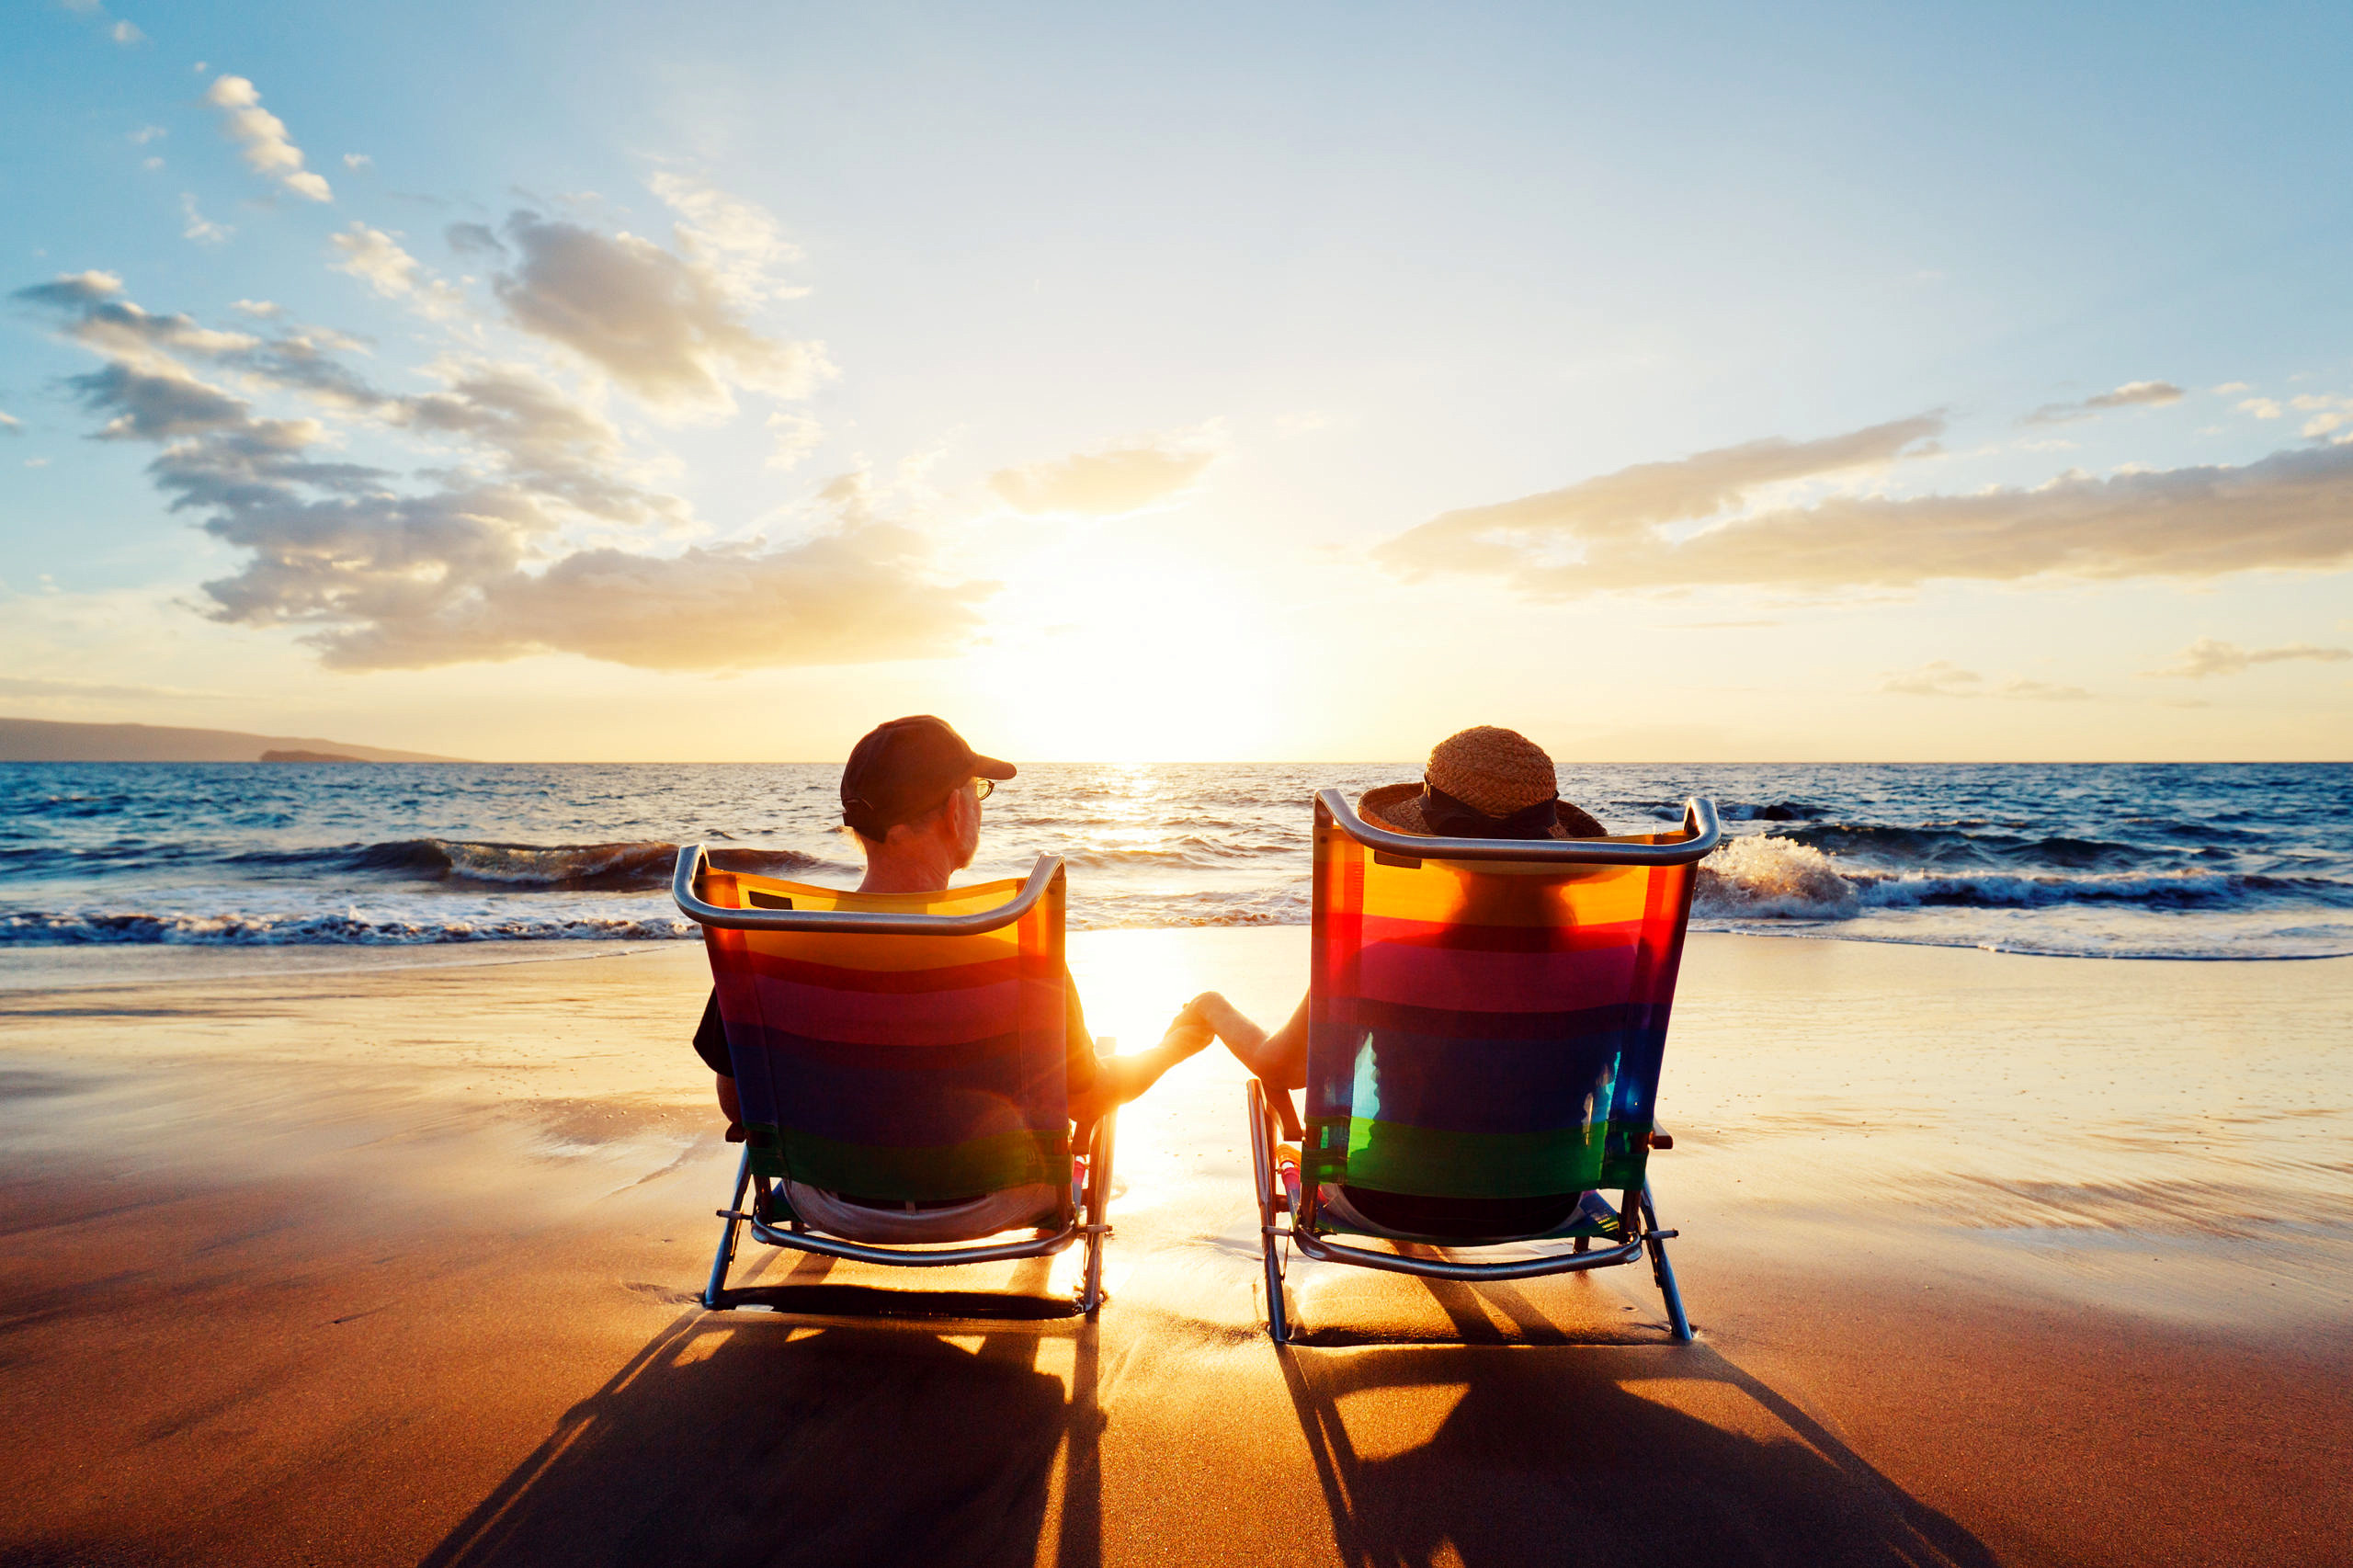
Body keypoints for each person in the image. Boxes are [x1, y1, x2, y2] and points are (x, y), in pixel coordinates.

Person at [1179, 724, 1618, 1239]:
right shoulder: (1609, 967)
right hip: (1546, 1202)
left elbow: (1284, 1067)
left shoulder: (1381, 961)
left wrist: (1213, 1008)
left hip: (1386, 1200)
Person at [691, 714, 1211, 1136]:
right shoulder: (1014, 947)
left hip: (824, 1201)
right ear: (955, 812)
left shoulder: (774, 944)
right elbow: (1087, 1099)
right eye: (977, 790)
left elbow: (738, 1103)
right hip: (988, 1206)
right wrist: (1172, 1048)